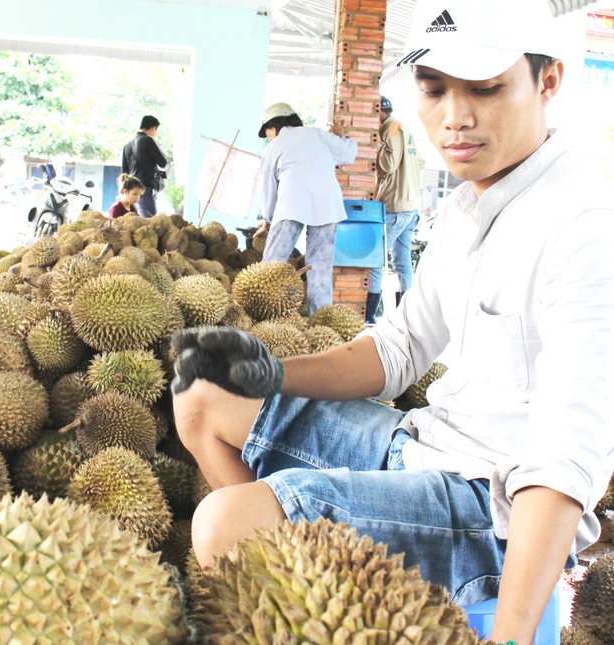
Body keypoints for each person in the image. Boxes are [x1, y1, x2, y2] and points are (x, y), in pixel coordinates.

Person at [170, 0, 613, 642]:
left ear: (548, 82)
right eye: (433, 90)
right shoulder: (468, 207)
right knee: (204, 398)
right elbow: (395, 350)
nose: (454, 118)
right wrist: (265, 371)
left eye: (486, 88)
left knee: (221, 523)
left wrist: (514, 637)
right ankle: (300, 603)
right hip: (419, 448)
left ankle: (294, 573)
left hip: (491, 513)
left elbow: (562, 463)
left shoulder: (585, 229)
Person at [254, 103, 358, 314]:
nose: (268, 137)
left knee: (272, 264)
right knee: (320, 269)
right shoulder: (317, 135)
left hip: (292, 203)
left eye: (268, 131)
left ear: (276, 124)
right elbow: (348, 154)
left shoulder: (273, 147)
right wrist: (342, 136)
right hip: (327, 204)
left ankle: (259, 313)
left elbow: (267, 187)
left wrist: (266, 217)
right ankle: (321, 318)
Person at [366, 96, 425, 324]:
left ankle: (369, 316)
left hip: (396, 207)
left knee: (374, 261)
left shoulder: (389, 131)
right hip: (410, 206)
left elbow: (389, 165)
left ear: (379, 112)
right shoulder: (405, 129)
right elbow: (420, 162)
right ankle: (405, 316)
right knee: (402, 262)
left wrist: (377, 144)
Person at [122, 116, 168, 217]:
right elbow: (163, 163)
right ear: (153, 128)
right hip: (145, 189)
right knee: (149, 222)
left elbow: (124, 172)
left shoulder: (127, 145)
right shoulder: (148, 141)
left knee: (134, 221)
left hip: (130, 192)